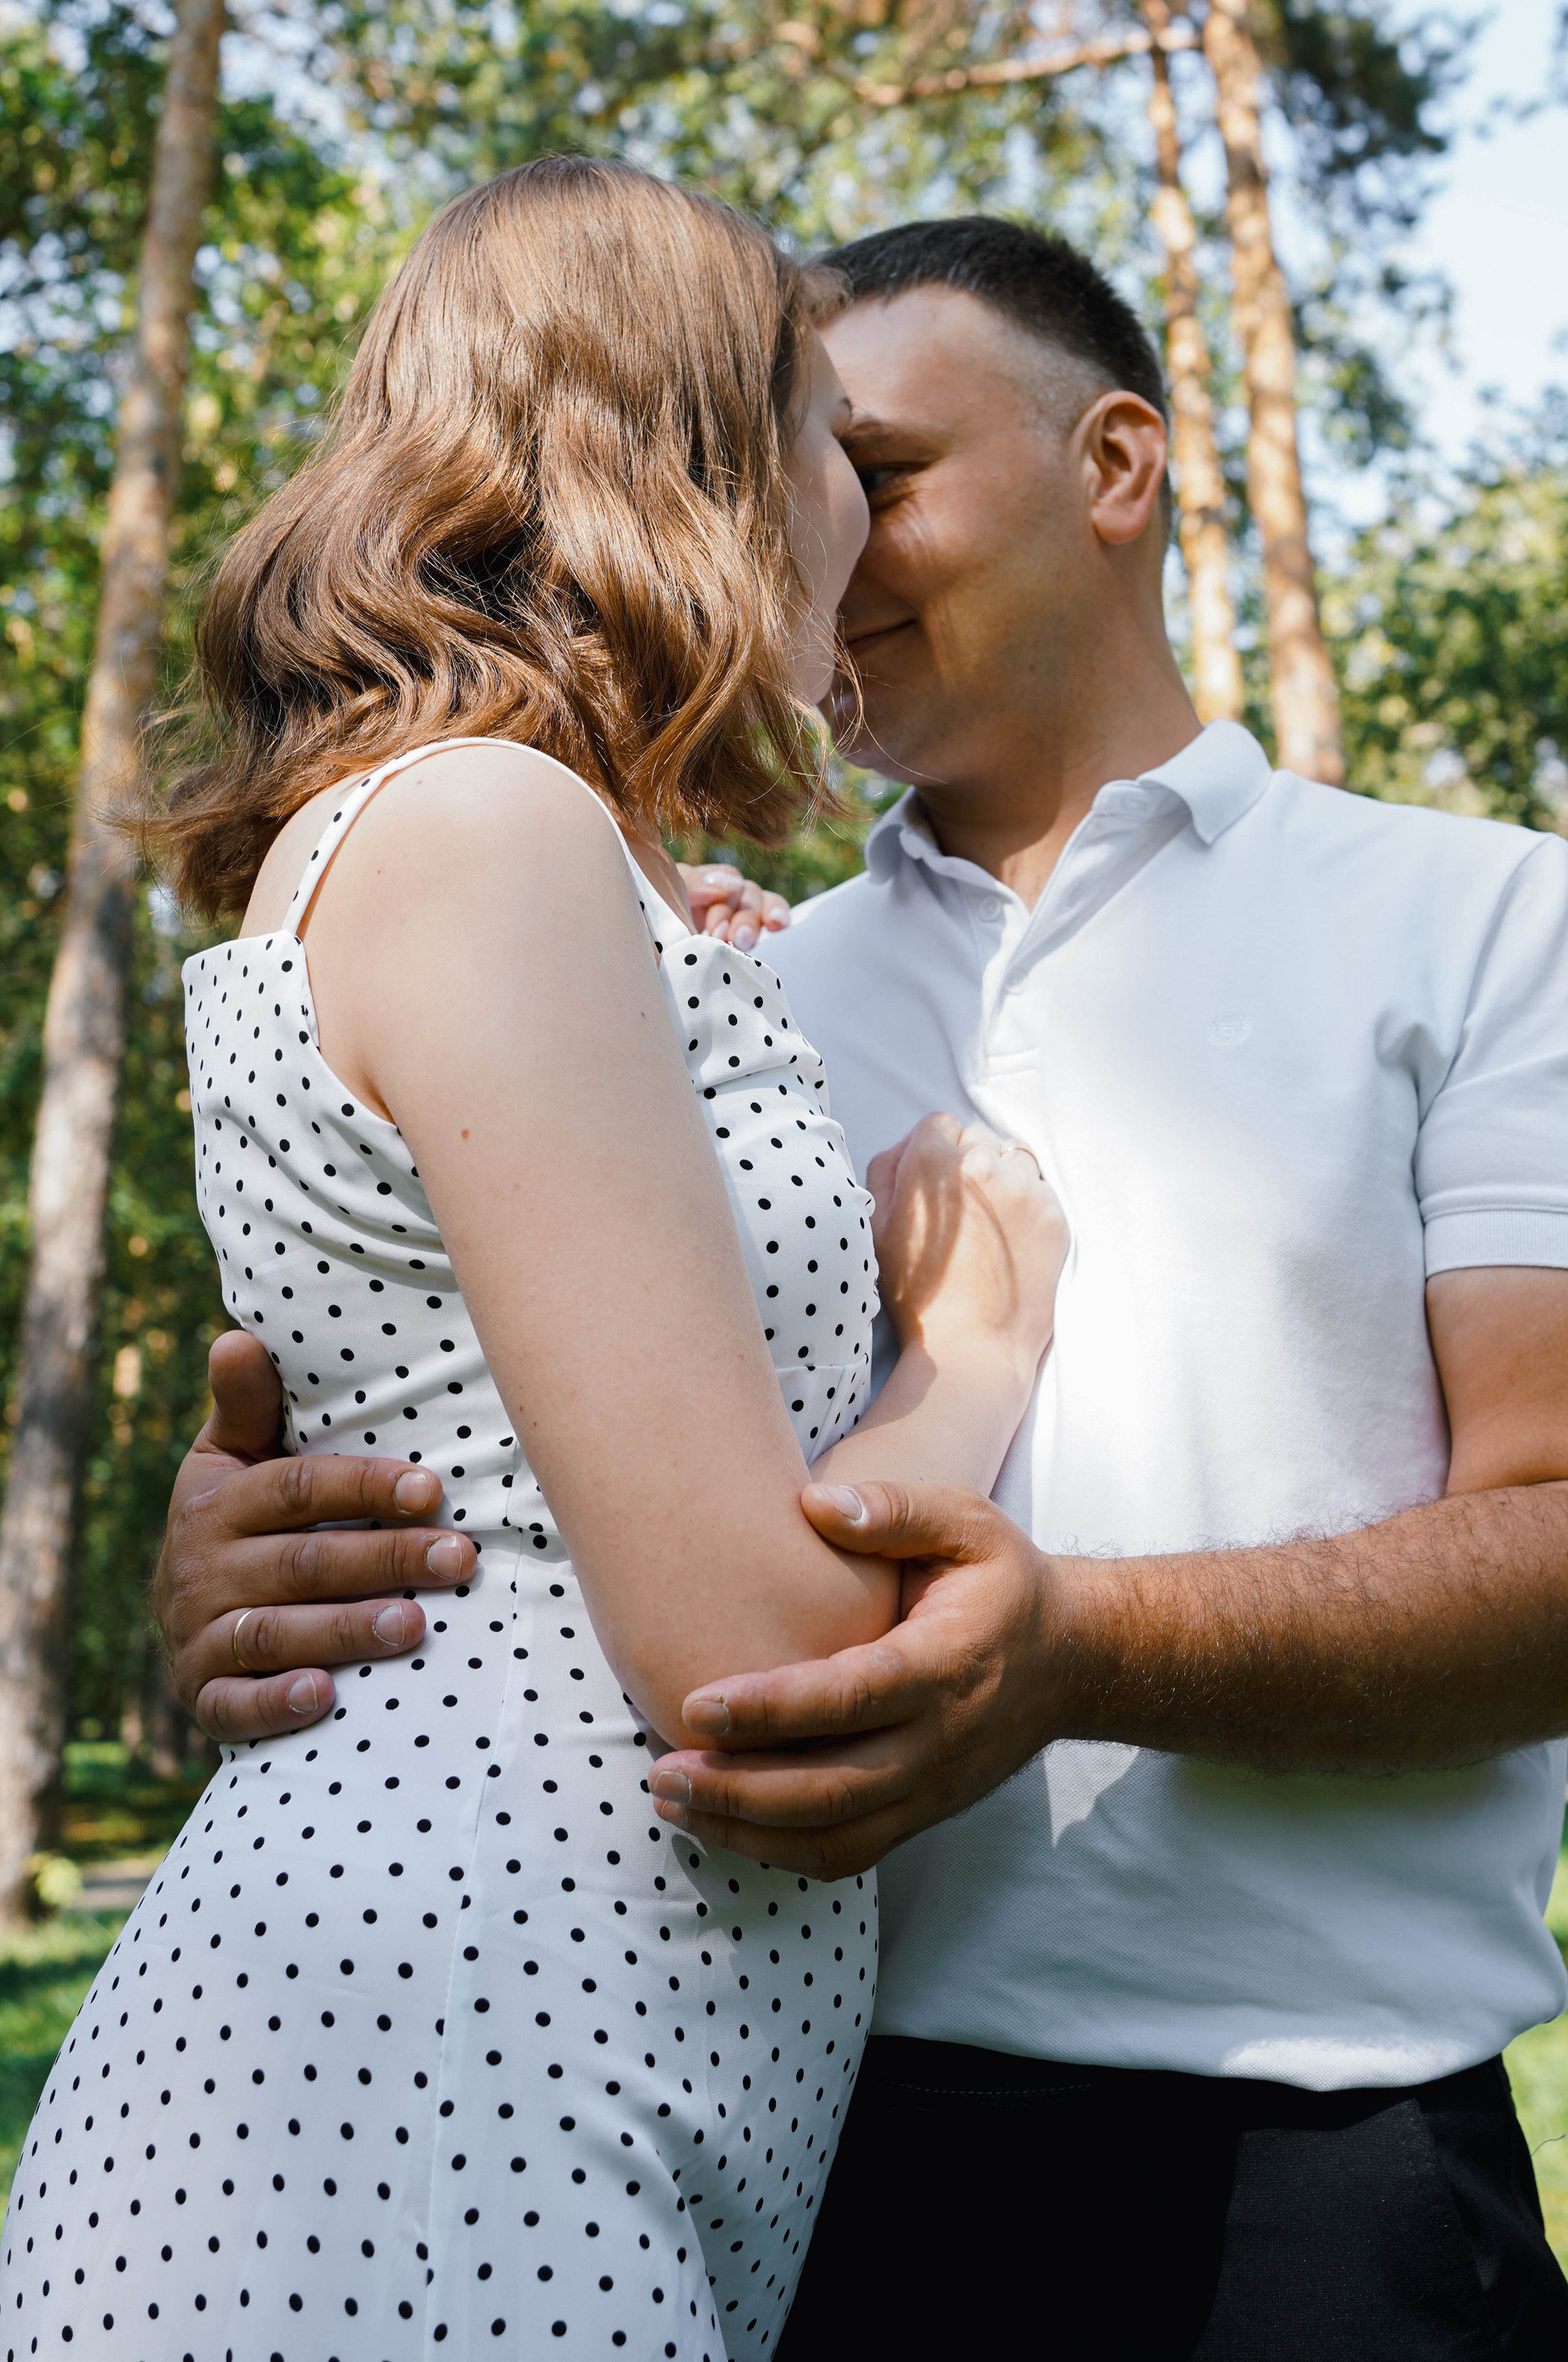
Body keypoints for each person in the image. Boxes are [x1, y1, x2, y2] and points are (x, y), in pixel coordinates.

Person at [155, 216, 1568, 2360]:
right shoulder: (707, 978)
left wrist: (1074, 1652)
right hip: (779, 2146)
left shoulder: (1481, 925)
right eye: (815, 464)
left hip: (1311, 2171)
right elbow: (494, 1421)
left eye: (882, 468)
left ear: (1115, 465)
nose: (827, 532)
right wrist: (257, 1544)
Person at [2, 165, 1067, 2362]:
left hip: (581, 2070)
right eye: (827, 452)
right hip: (425, 2093)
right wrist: (973, 1339)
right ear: (692, 460)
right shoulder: (487, 832)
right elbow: (749, 1665)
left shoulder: (551, 861)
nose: (854, 528)